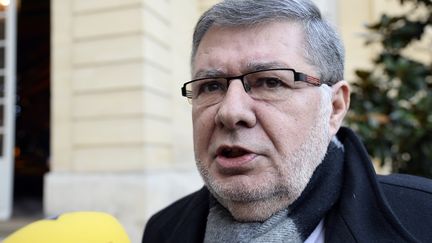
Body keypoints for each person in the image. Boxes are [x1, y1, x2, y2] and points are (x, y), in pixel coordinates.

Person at [142, 0, 432, 242]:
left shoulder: (423, 218)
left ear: (334, 107)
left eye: (270, 82)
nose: (230, 112)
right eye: (211, 86)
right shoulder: (163, 230)